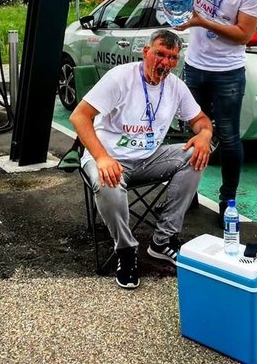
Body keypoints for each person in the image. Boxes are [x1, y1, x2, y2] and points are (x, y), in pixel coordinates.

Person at [70, 29, 213, 290]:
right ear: (146, 52)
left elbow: (200, 120)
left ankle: (163, 240)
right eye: (160, 54)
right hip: (109, 157)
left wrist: (204, 135)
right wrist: (101, 158)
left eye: (172, 57)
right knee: (107, 183)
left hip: (148, 158)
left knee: (196, 153)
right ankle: (125, 251)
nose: (165, 63)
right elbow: (79, 117)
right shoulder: (120, 78)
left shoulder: (175, 87)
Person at [160, 0, 257, 226]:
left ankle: (227, 201)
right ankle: (187, 192)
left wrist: (201, 21)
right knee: (192, 131)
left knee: (229, 138)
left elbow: (243, 34)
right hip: (194, 67)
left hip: (228, 72)